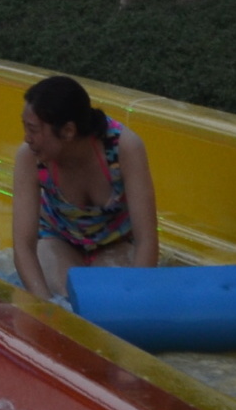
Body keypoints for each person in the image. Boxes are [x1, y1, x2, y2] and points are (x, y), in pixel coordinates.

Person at [12, 74, 158, 301]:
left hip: (115, 243)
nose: (27, 138)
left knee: (110, 296)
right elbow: (23, 245)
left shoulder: (124, 149)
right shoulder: (30, 157)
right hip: (58, 241)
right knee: (67, 299)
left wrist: (136, 302)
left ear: (68, 131)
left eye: (33, 130)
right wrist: (45, 308)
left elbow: (146, 239)